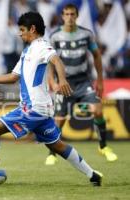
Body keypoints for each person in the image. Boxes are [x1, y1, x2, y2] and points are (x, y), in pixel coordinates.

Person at [0, 11, 103, 187]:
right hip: (41, 110)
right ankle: (93, 175)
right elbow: (13, 77)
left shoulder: (41, 45)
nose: (19, 33)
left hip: (32, 108)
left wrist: (63, 79)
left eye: (22, 29)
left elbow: (57, 61)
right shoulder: (27, 51)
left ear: (33, 29)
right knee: (56, 145)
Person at [45, 3, 117, 166]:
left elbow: (97, 56)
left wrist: (99, 79)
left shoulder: (86, 34)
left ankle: (103, 147)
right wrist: (52, 81)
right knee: (59, 121)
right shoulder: (55, 36)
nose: (69, 17)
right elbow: (49, 62)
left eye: (72, 14)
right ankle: (52, 153)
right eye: (66, 14)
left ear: (76, 16)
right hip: (64, 83)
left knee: (97, 110)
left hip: (83, 81)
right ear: (62, 16)